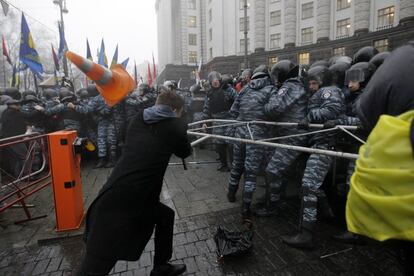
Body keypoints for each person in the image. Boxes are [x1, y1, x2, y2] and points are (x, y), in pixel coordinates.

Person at [77, 89, 192, 276]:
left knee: (165, 216)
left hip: (123, 192)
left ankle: (161, 267)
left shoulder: (139, 119)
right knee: (97, 265)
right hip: (124, 204)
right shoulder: (173, 126)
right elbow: (185, 151)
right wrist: (181, 123)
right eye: (180, 111)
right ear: (173, 109)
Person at [281, 65, 345, 249]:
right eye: (309, 83)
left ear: (322, 81)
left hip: (324, 146)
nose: (311, 86)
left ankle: (305, 234)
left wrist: (309, 117)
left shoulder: (328, 91)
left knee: (308, 186)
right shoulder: (323, 91)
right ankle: (328, 214)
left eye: (314, 82)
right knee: (313, 185)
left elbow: (332, 111)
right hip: (320, 144)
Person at [227, 65, 273, 221]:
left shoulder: (245, 89)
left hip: (240, 132)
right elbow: (273, 112)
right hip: (257, 135)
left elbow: (233, 111)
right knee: (251, 172)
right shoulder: (271, 90)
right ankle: (246, 207)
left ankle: (231, 193)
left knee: (237, 165)